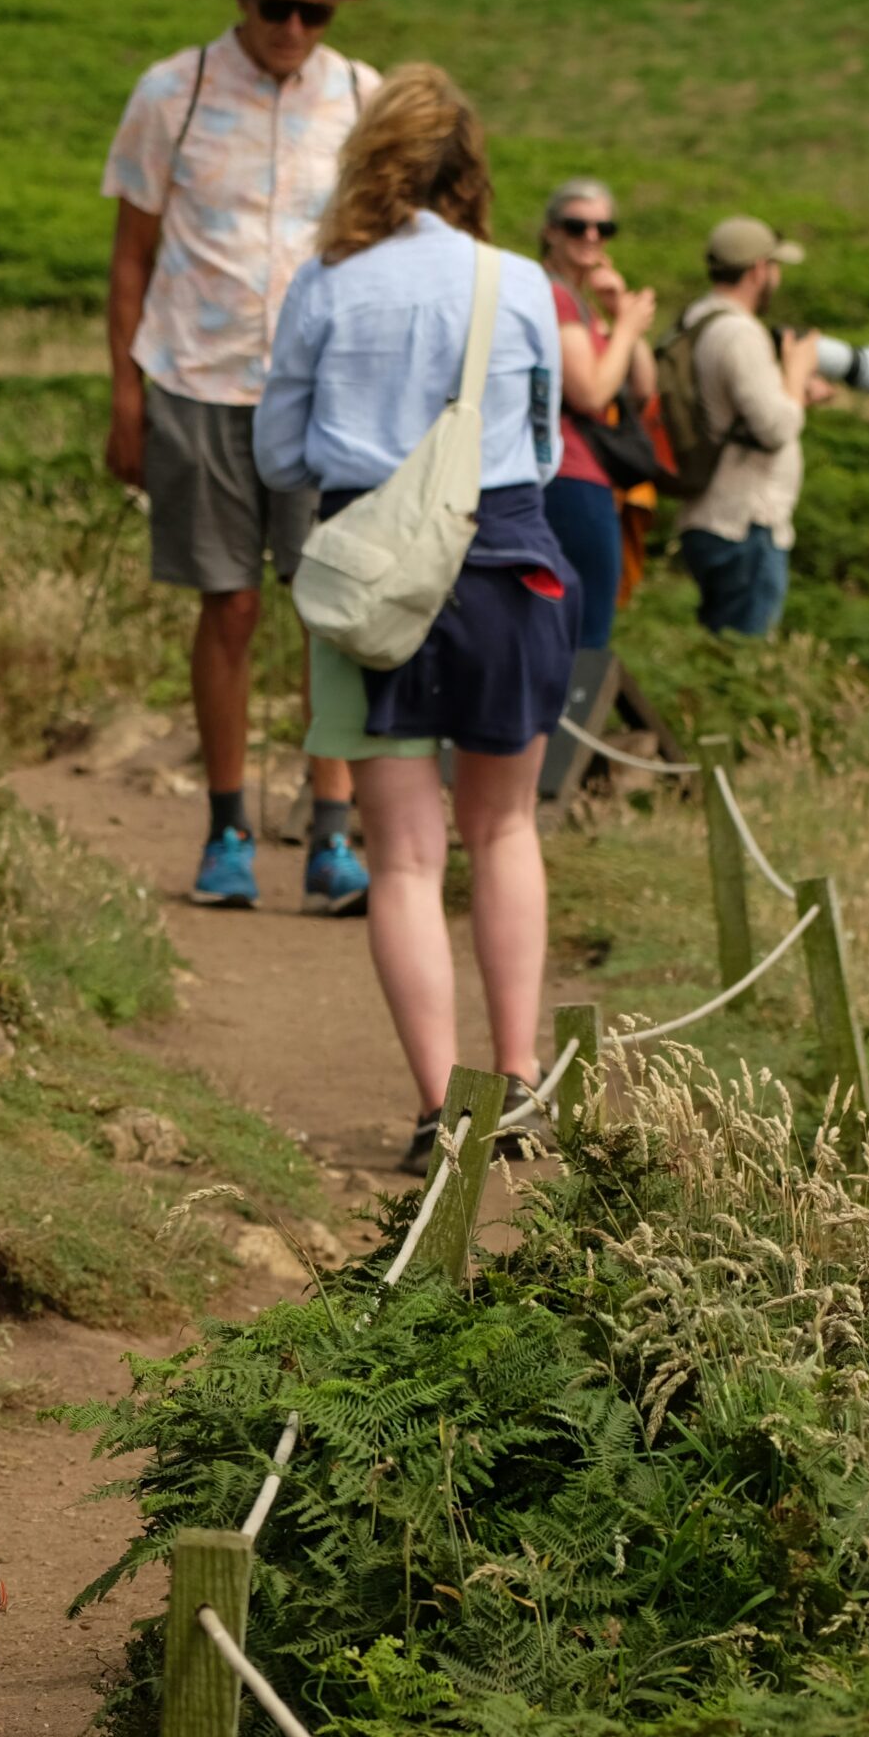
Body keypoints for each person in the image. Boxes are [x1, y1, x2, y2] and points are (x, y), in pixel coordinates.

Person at [255, 64, 580, 1175]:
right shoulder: (520, 281)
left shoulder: (327, 284)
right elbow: (542, 445)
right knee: (505, 830)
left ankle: (443, 1107)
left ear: (372, 158)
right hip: (506, 563)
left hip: (369, 586)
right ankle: (521, 1082)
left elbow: (278, 455)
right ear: (471, 169)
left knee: (400, 857)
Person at [101, 0, 381, 914]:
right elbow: (131, 256)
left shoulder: (363, 102)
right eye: (276, 9)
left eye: (314, 15)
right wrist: (125, 392)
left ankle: (332, 838)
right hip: (199, 378)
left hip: (326, 396)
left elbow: (386, 259)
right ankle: (225, 831)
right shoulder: (170, 94)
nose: (293, 32)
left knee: (331, 612)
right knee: (231, 603)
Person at [675, 216, 832, 636]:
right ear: (759, 269)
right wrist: (796, 374)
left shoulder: (699, 318)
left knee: (718, 650)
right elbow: (776, 428)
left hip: (709, 511)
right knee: (740, 654)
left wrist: (792, 389)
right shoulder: (740, 333)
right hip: (744, 522)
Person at [538, 178, 658, 649]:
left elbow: (643, 388)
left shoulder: (580, 302)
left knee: (582, 626)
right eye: (576, 226)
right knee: (583, 634)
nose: (591, 237)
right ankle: (563, 720)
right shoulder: (555, 297)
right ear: (550, 232)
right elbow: (589, 392)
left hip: (585, 477)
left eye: (603, 228)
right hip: (569, 476)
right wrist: (625, 329)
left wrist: (616, 310)